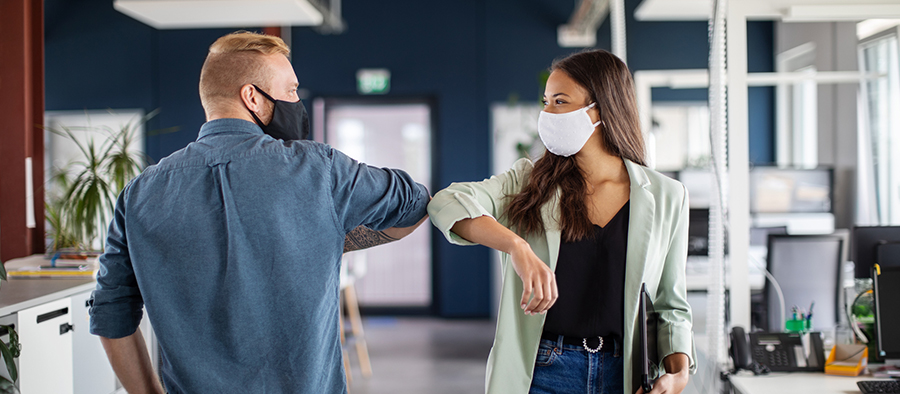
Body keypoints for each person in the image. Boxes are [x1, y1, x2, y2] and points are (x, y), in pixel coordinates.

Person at [89, 31, 430, 394]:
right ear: (252, 96)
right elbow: (414, 204)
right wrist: (334, 238)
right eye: (291, 91)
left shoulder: (140, 193)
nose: (296, 101)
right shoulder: (318, 168)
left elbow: (111, 314)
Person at [428, 49, 695, 394]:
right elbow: (445, 203)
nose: (546, 113)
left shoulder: (666, 196)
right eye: (545, 101)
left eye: (559, 101)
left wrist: (678, 373)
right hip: (543, 371)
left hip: (625, 374)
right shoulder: (528, 182)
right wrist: (517, 247)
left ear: (599, 110)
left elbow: (671, 305)